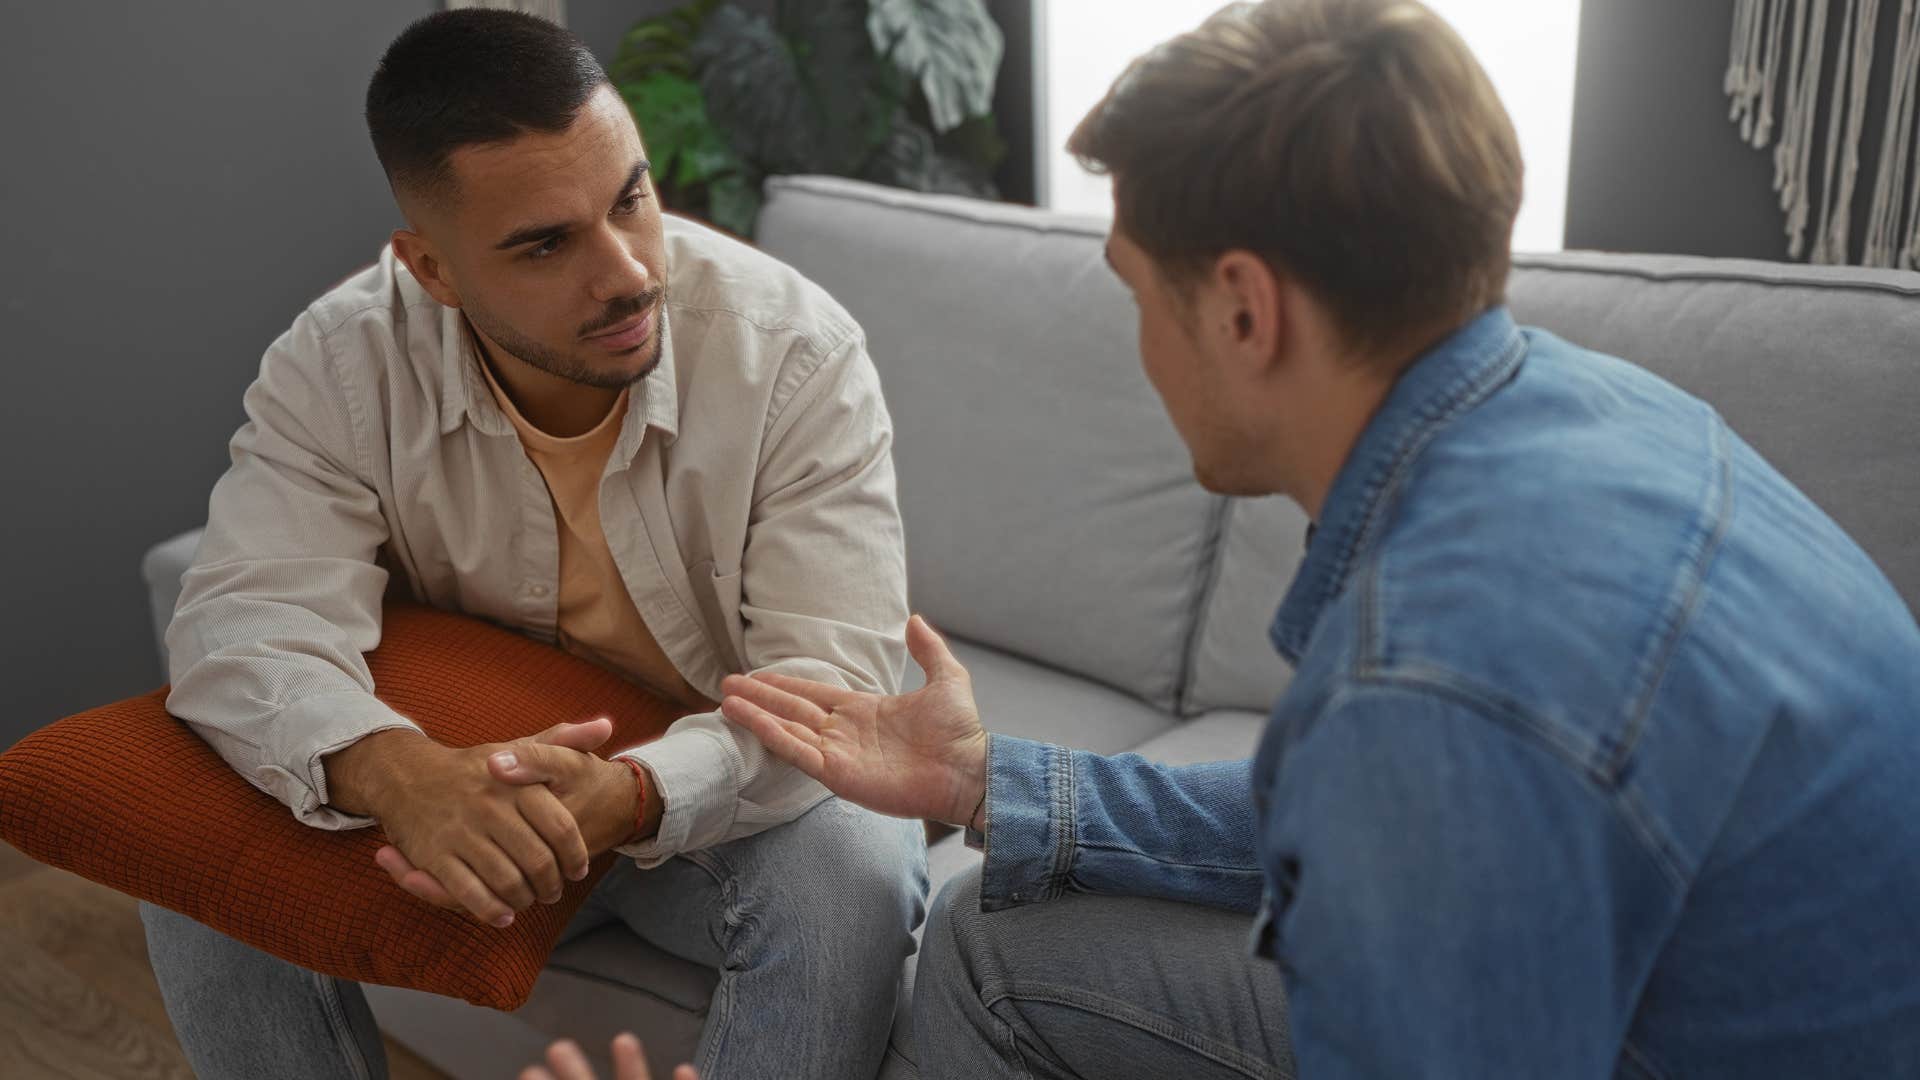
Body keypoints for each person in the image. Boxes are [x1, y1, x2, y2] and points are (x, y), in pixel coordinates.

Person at [714, 1, 1920, 1077]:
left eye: (1136, 294)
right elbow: (1375, 815)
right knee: (994, 938)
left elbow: (1425, 766)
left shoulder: (1432, 680)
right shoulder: (1613, 412)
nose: (1137, 347)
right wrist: (988, 783)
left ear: (1244, 308)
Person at [140, 10, 925, 1079]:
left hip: (703, 817)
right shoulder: (340, 362)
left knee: (855, 866)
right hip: (459, 809)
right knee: (192, 838)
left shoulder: (792, 356)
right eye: (546, 244)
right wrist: (396, 773)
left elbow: (829, 689)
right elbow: (242, 618)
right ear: (432, 269)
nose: (626, 274)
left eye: (630, 199)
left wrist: (634, 794)